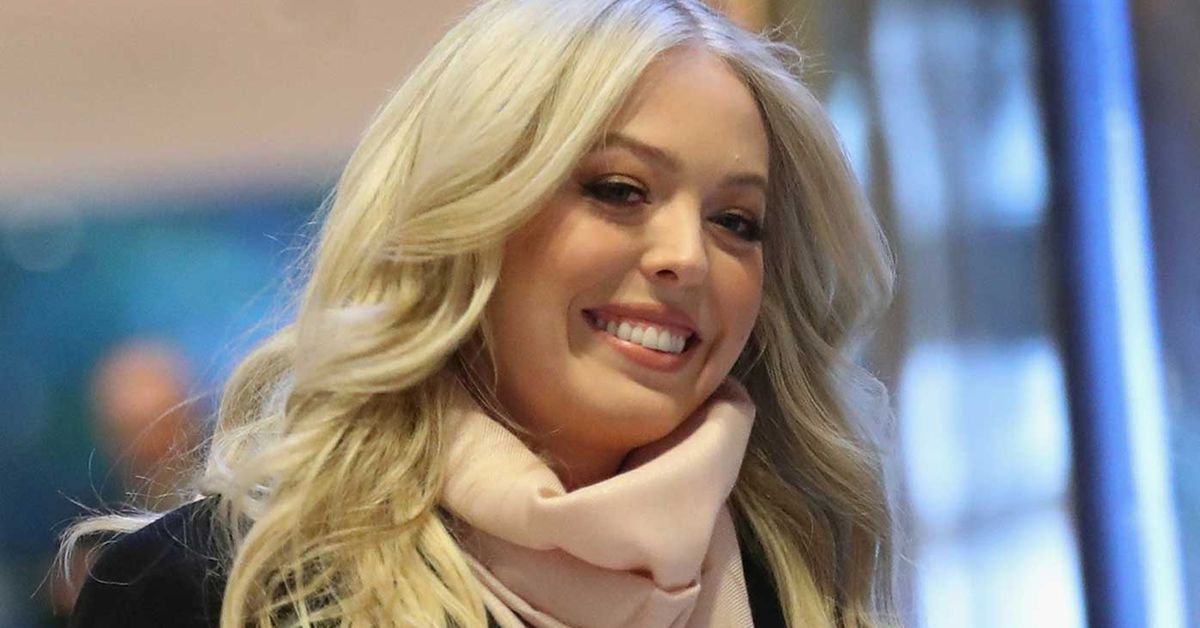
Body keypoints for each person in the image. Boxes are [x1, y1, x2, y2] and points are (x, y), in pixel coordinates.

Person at [61, 0, 898, 626]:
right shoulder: (204, 590)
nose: (689, 255)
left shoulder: (801, 580)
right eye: (619, 190)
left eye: (737, 222)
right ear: (467, 215)